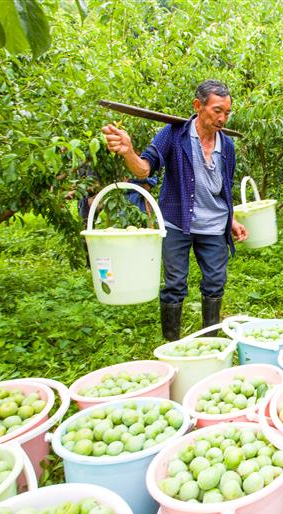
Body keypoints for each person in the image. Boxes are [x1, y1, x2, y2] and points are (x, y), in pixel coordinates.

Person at [101, 80, 248, 341]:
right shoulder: (173, 134)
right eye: (217, 110)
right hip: (177, 221)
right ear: (198, 106)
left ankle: (210, 340)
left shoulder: (227, 146)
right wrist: (129, 152)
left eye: (227, 112)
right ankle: (172, 343)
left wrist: (232, 218)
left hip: (214, 225)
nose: (222, 118)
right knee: (175, 284)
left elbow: (226, 187)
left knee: (215, 283)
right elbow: (145, 169)